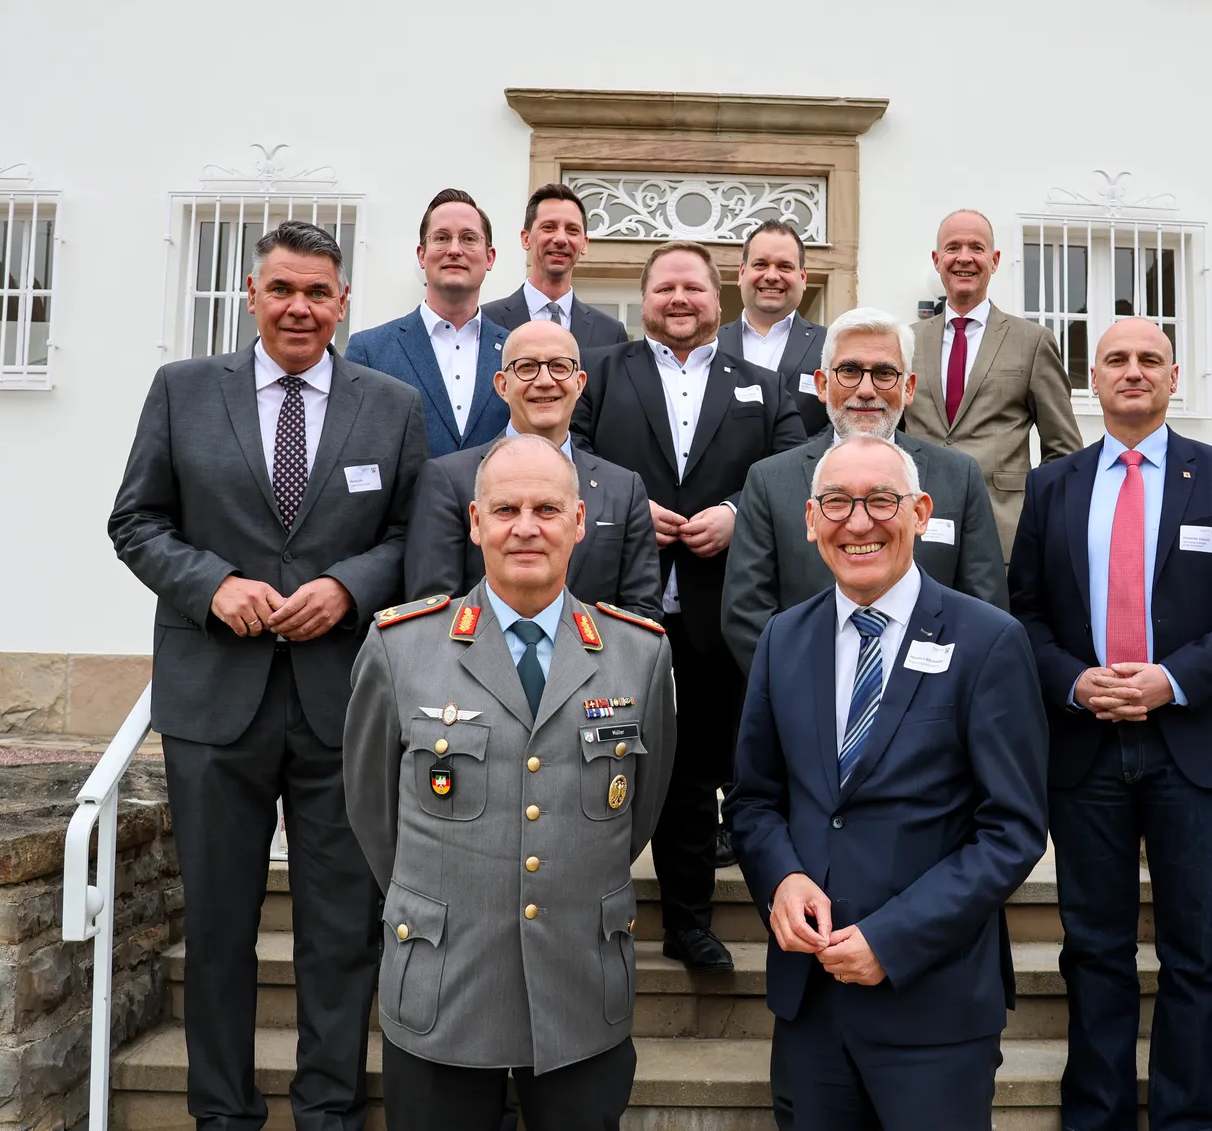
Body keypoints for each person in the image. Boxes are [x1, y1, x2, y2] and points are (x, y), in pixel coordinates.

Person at [108, 220, 427, 1131]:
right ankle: (222, 1111)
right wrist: (212, 585)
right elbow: (136, 521)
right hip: (215, 701)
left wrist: (346, 585)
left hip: (346, 706)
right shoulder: (181, 391)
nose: (299, 307)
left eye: (318, 292)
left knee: (340, 928)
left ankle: (329, 1108)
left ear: (343, 303)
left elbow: (414, 535)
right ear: (251, 294)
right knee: (216, 928)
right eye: (282, 289)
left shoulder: (391, 403)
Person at [1006, 317, 1212, 1131]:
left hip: (1192, 749)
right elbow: (1022, 613)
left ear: (1175, 376)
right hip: (1085, 748)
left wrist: (1170, 680)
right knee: (1093, 952)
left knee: (1198, 957)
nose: (1132, 372)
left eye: (1149, 360)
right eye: (1116, 359)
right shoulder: (1053, 484)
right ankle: (1095, 1116)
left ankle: (1186, 1120)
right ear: (1092, 379)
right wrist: (1070, 679)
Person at [344, 434, 675, 1131]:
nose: (526, 526)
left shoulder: (638, 654)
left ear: (579, 523)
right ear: (475, 522)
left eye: (548, 509)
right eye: (507, 509)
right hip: (446, 981)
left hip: (579, 989)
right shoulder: (401, 646)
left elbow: (636, 813)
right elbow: (374, 814)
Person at [725, 433, 1049, 1131]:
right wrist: (781, 878)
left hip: (933, 1009)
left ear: (921, 511)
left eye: (881, 500)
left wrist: (894, 938)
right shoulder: (784, 638)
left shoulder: (988, 640)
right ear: (811, 520)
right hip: (811, 1008)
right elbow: (754, 799)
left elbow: (1012, 829)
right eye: (837, 502)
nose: (859, 521)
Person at [571, 240, 806, 971]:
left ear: (719, 300)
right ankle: (579, 924)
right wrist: (629, 505)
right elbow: (567, 454)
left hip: (717, 614)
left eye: (695, 289)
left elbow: (793, 469)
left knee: (696, 775)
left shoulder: (762, 387)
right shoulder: (602, 376)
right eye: (666, 286)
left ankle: (689, 923)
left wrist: (738, 510)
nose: (680, 299)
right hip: (610, 614)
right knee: (589, 773)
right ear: (644, 299)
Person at [722, 306, 1008, 676]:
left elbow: (984, 608)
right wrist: (817, 693)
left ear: (909, 388)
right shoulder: (769, 480)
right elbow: (746, 614)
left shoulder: (959, 476)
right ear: (823, 385)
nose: (866, 390)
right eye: (850, 371)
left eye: (885, 373)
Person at [404, 320, 662, 621]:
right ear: (502, 385)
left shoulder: (624, 489)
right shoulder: (447, 480)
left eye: (559, 366)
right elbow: (434, 615)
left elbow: (641, 615)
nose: (544, 380)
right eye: (526, 367)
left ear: (579, 383)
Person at [904, 209, 1082, 560]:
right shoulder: (907, 341)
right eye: (953, 248)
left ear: (995, 260)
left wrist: (1036, 516)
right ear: (937, 261)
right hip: (916, 531)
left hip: (1004, 535)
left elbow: (1063, 451)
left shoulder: (1032, 341)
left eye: (977, 247)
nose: (964, 258)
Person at [347, 188, 511, 458]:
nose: (455, 250)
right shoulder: (370, 351)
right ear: (421, 255)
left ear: (489, 257)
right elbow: (355, 451)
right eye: (442, 238)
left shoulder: (515, 353)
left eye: (469, 238)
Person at [482, 182, 630, 349]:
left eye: (572, 229)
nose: (560, 239)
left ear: (584, 244)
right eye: (548, 227)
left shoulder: (610, 333)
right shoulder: (485, 321)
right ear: (525, 238)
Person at [715, 219, 827, 434]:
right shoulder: (709, 344)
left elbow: (841, 422)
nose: (772, 276)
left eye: (785, 266)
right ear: (741, 273)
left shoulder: (831, 345)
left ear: (802, 277)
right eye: (761, 264)